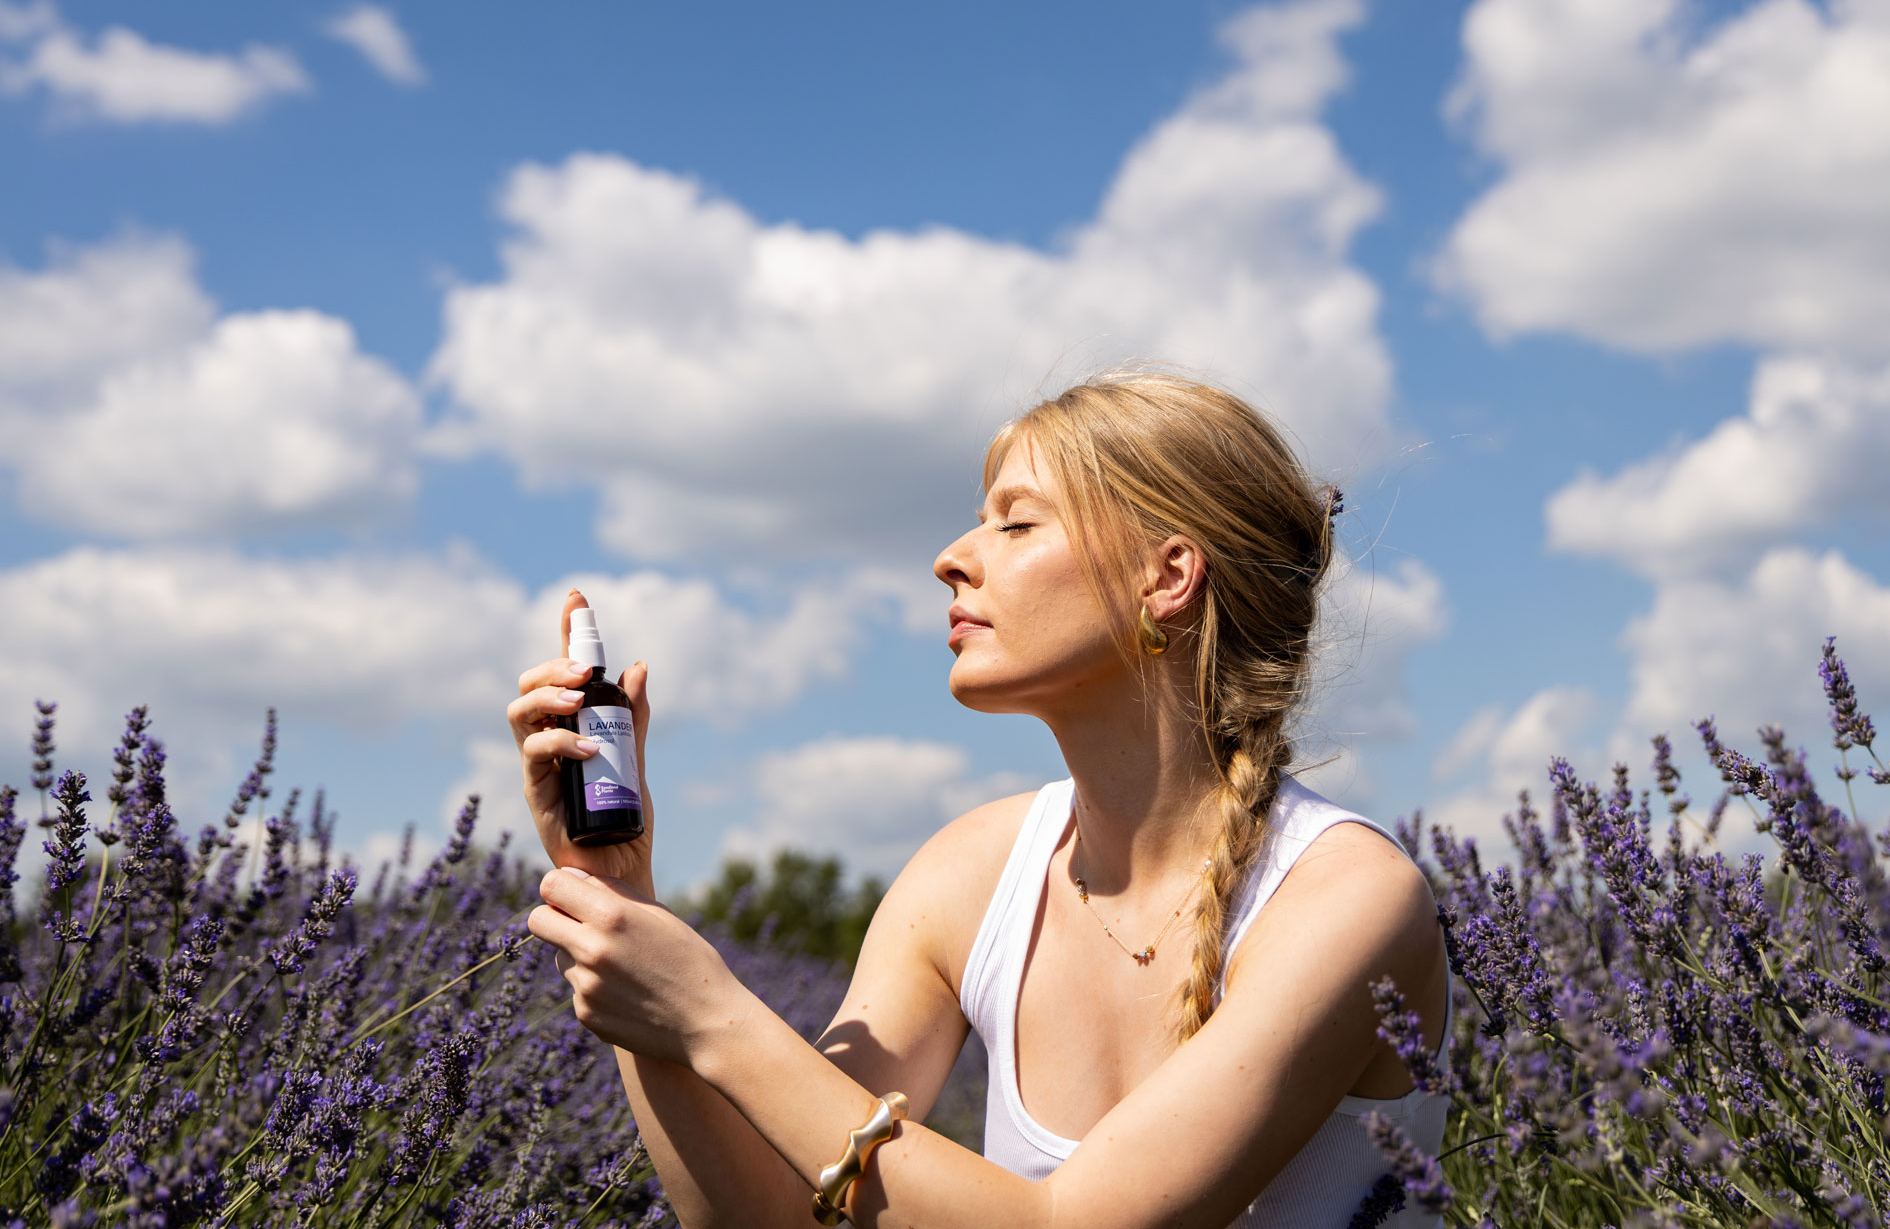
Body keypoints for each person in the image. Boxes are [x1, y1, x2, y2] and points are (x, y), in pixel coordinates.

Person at [511, 368, 1452, 1229]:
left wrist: (713, 1017)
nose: (951, 559)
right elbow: (777, 1221)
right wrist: (618, 910)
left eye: (1016, 522)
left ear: (1167, 578)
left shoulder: (1342, 898)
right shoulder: (970, 876)